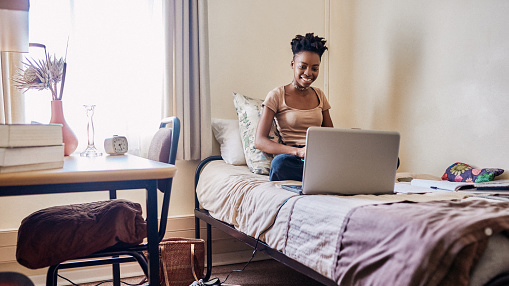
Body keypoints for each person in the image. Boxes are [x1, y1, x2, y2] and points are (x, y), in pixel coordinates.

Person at [255, 33, 333, 181]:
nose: (308, 73)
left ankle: (322, 177)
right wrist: (297, 152)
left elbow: (331, 136)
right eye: (302, 67)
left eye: (315, 68)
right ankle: (322, 179)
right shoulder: (276, 95)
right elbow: (260, 141)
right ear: (292, 64)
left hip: (317, 157)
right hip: (292, 159)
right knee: (279, 164)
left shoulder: (320, 95)